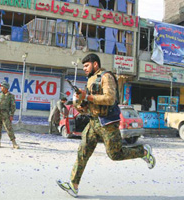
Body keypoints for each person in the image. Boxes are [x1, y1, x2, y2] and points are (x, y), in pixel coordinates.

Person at [56, 53, 155, 197]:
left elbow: (109, 99)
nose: (84, 68)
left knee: (115, 154)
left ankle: (144, 152)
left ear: (95, 64)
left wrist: (87, 96)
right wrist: (79, 102)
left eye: (86, 65)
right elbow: (85, 107)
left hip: (108, 123)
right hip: (93, 122)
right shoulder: (91, 80)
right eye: (83, 66)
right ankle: (74, 185)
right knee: (82, 152)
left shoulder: (106, 77)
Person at [0, 81, 19, 149]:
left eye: (2, 86)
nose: (1, 87)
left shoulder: (11, 96)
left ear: (5, 88)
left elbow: (13, 106)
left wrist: (11, 115)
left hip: (5, 114)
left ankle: (14, 143)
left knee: (9, 128)